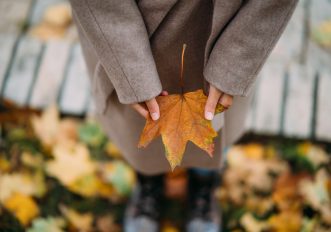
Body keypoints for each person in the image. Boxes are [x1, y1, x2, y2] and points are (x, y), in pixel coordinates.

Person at [68, 0, 299, 231]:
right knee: (142, 123)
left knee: (214, 121)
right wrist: (131, 74)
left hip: (225, 26)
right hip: (132, 27)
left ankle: (203, 184)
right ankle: (149, 182)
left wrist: (234, 67)